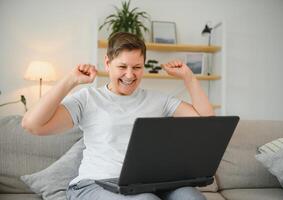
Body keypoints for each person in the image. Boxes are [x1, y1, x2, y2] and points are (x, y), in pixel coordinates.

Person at [22, 32, 214, 200]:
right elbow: (32, 125)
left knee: (191, 197)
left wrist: (189, 77)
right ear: (107, 63)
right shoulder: (88, 98)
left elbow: (207, 125)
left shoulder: (159, 100)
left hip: (147, 184)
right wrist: (71, 80)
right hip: (94, 185)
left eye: (137, 67)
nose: (129, 75)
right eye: (122, 66)